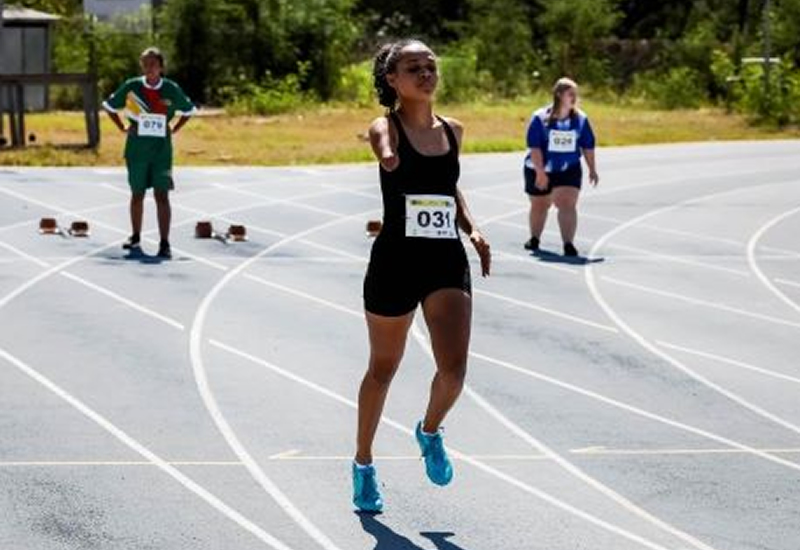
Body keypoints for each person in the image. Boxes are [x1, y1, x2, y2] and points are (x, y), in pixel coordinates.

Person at [353, 39, 492, 513]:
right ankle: (363, 465)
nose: (426, 73)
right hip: (394, 260)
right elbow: (384, 148)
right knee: (383, 368)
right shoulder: (383, 127)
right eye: (414, 67)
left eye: (431, 66)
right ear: (393, 80)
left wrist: (472, 229)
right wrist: (390, 156)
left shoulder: (453, 130)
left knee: (454, 370)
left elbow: (447, 184)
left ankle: (429, 430)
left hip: (443, 261)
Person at [102, 47, 196, 259]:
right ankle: (135, 237)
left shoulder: (171, 89)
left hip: (161, 151)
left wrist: (174, 127)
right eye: (145, 64)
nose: (149, 68)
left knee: (162, 195)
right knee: (137, 194)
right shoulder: (132, 87)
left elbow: (189, 110)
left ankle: (165, 243)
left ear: (161, 66)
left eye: (153, 64)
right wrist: (122, 127)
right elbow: (109, 106)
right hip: (137, 150)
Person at [523, 77, 599, 257]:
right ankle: (534, 237)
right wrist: (540, 173)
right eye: (570, 94)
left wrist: (592, 169)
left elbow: (588, 146)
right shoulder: (540, 118)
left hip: (568, 168)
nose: (574, 98)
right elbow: (534, 147)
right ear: (559, 95)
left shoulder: (580, 119)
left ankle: (568, 244)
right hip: (538, 167)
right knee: (540, 205)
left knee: (567, 204)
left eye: (576, 94)